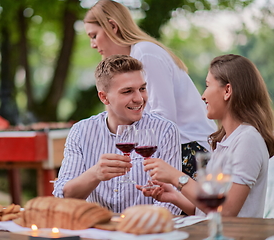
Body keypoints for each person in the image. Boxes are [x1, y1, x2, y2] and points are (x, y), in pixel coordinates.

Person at [83, 0, 217, 179]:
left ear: (112, 26)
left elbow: (164, 118)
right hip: (176, 150)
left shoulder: (145, 53)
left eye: (93, 35)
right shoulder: (136, 56)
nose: (92, 44)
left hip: (190, 151)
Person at [140, 54, 274, 218]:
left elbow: (226, 210)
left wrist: (177, 177)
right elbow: (209, 210)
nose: (203, 96)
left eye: (207, 85)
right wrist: (173, 196)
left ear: (227, 90)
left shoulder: (248, 140)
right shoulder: (226, 140)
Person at [53, 55, 182, 214]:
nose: (139, 99)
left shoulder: (165, 130)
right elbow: (63, 197)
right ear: (104, 97)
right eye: (127, 91)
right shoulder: (80, 132)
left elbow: (174, 201)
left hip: (147, 232)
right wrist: (95, 174)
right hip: (98, 231)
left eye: (142, 88)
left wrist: (136, 228)